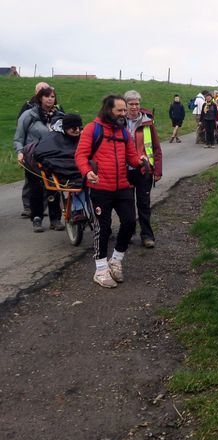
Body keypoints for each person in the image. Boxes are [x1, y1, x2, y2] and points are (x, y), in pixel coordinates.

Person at [75, 95, 144, 288]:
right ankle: (100, 269)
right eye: (120, 111)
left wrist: (141, 161)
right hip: (100, 188)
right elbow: (80, 155)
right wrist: (87, 172)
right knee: (102, 228)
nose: (124, 114)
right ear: (108, 110)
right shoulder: (92, 129)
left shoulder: (123, 132)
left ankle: (116, 260)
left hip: (122, 186)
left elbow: (131, 157)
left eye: (124, 110)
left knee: (130, 222)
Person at [14, 86, 65, 231]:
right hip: (33, 157)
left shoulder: (59, 116)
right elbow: (19, 137)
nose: (50, 99)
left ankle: (55, 219)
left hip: (54, 157)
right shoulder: (29, 115)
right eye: (47, 96)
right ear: (40, 98)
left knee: (54, 187)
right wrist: (20, 152)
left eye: (53, 96)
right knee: (35, 188)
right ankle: (37, 218)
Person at [124, 90, 163, 248]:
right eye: (131, 104)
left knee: (144, 204)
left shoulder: (147, 122)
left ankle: (147, 235)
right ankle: (128, 233)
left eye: (137, 104)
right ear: (125, 105)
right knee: (126, 205)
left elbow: (156, 147)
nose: (134, 107)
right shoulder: (118, 122)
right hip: (124, 170)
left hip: (144, 170)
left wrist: (157, 170)